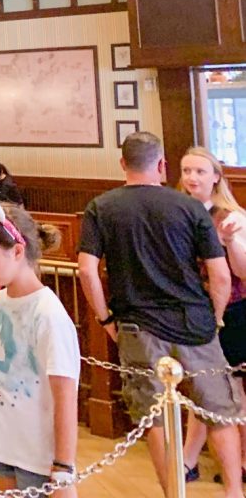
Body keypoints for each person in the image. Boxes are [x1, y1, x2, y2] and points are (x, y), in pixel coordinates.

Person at [78, 131, 242, 498]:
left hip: (139, 326)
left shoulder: (101, 207)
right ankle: (234, 492)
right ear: (162, 165)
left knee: (151, 418)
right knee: (219, 413)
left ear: (123, 164)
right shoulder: (190, 208)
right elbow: (219, 274)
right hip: (194, 322)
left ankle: (173, 492)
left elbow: (87, 270)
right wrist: (214, 317)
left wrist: (105, 319)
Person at [0, 197, 77, 498]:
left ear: (17, 251)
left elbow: (65, 394)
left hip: (37, 453)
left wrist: (64, 465)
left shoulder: (48, 314)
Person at [178, 146, 246, 483]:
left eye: (200, 171)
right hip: (195, 313)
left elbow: (243, 273)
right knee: (204, 389)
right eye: (187, 171)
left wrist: (228, 243)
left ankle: (237, 464)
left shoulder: (229, 216)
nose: (192, 177)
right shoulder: (177, 213)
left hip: (233, 312)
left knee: (233, 390)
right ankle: (189, 460)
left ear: (215, 177)